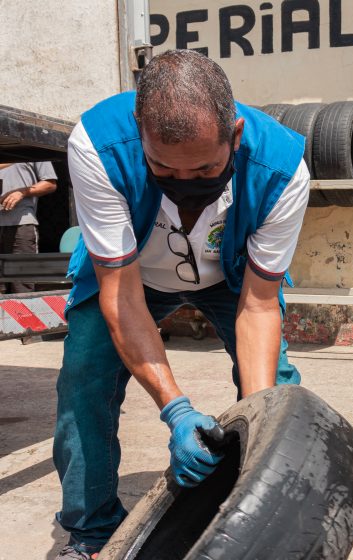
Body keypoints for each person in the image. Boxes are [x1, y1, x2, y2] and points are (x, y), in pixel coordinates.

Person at [53, 50, 309, 559]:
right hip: (131, 274)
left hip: (230, 273)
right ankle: (92, 533)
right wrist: (176, 410)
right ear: (138, 131)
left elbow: (259, 307)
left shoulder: (282, 171)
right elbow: (122, 296)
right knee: (84, 378)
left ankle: (267, 500)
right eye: (163, 167)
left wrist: (257, 426)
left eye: (206, 168)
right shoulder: (97, 145)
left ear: (235, 135)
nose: (185, 183)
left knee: (275, 393)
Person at [0, 161, 58, 292]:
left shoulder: (31, 149)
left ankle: (22, 313)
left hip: (21, 223)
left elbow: (50, 184)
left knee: (22, 283)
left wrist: (22, 192)